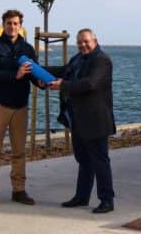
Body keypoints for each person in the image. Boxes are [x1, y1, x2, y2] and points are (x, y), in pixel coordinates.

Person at [45, 28, 116, 214]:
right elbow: (62, 71)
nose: (83, 45)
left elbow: (90, 83)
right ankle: (82, 197)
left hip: (96, 120)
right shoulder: (77, 59)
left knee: (100, 161)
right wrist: (36, 70)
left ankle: (107, 200)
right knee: (83, 160)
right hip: (77, 118)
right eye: (79, 42)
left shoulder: (102, 60)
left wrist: (63, 85)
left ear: (95, 40)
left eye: (86, 42)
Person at [0, 9, 37, 206]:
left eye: (15, 23)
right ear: (3, 25)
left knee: (19, 151)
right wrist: (16, 74)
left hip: (20, 105)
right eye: (8, 23)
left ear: (20, 25)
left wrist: (48, 82)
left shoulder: (28, 49)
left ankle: (19, 190)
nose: (12, 27)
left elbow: (34, 74)